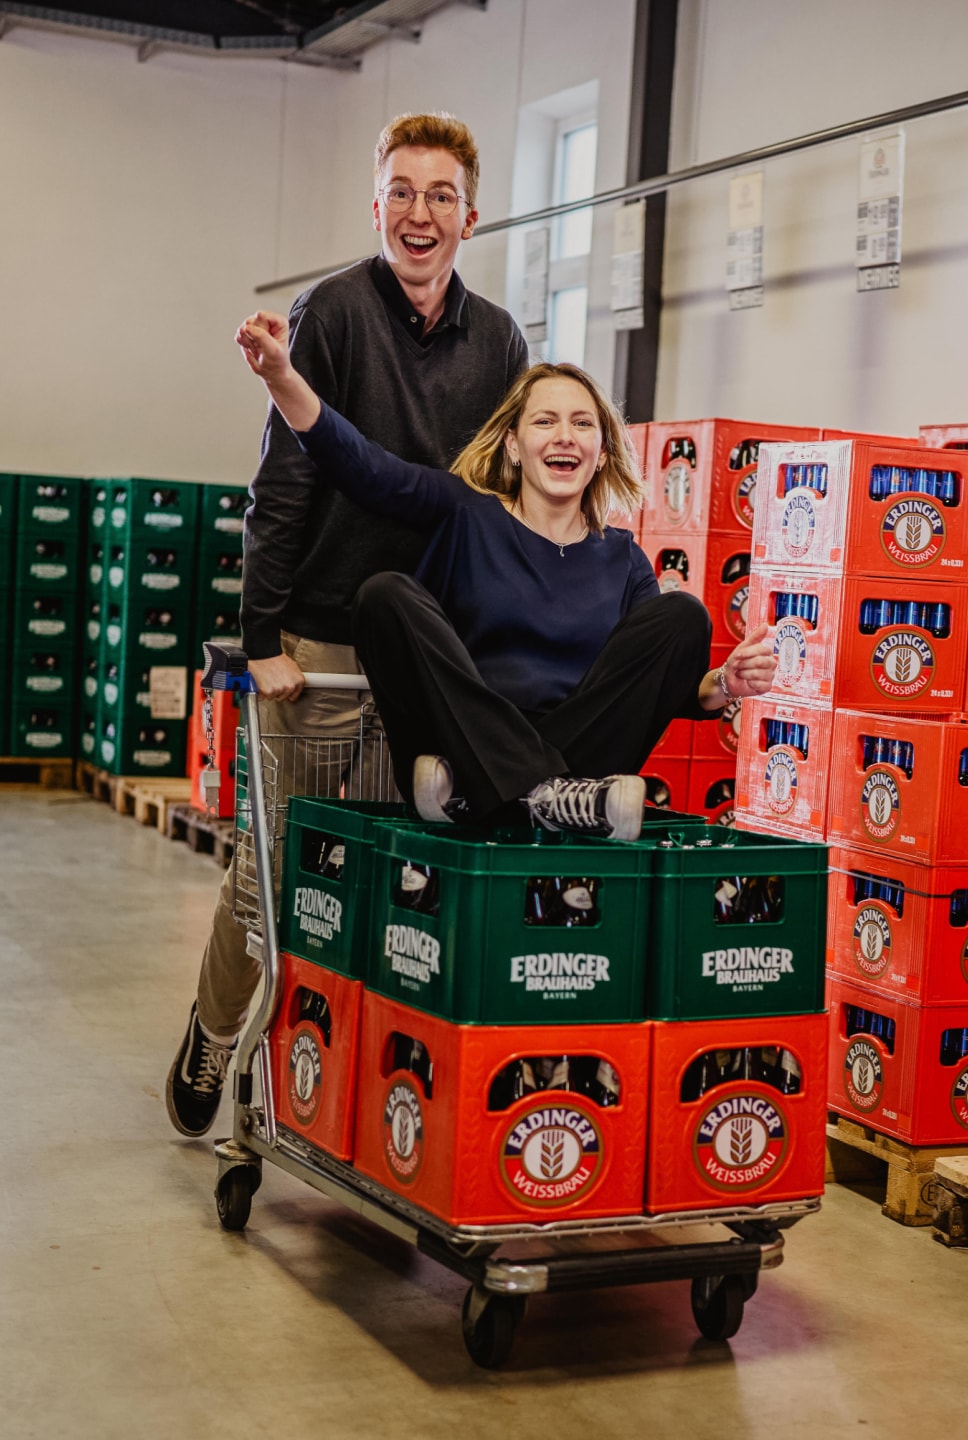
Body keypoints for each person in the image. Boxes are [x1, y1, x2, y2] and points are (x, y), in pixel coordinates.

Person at [167, 112, 529, 1139]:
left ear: (471, 215)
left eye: (441, 195)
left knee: (384, 875)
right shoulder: (328, 313)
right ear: (376, 206)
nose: (421, 214)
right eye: (402, 193)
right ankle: (212, 1026)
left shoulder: (500, 339)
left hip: (422, 647)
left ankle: (336, 1087)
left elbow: (490, 504)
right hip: (318, 644)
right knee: (276, 865)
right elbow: (282, 484)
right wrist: (264, 640)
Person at [233, 313, 776, 838]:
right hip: (462, 747)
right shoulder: (466, 513)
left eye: (582, 424)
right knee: (384, 595)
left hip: (524, 773)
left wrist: (726, 682)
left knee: (683, 615)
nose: (565, 436)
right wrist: (282, 376)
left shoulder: (624, 560)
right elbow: (359, 465)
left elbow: (664, 692)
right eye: (545, 421)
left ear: (601, 452)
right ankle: (542, 791)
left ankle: (523, 794)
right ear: (514, 445)